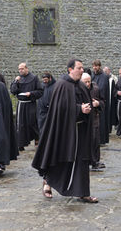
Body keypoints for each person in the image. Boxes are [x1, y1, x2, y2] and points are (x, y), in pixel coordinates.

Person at [32, 59, 98, 203]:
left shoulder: (81, 85)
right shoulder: (62, 85)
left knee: (82, 161)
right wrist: (79, 108)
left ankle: (83, 192)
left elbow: (86, 104)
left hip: (80, 130)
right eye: (79, 68)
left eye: (82, 68)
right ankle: (48, 181)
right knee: (60, 157)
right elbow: (60, 108)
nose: (82, 70)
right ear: (70, 69)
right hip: (64, 131)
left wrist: (87, 109)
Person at [10, 63, 43, 151]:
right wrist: (15, 81)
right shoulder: (18, 79)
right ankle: (21, 144)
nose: (20, 70)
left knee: (32, 123)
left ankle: (37, 139)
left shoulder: (34, 78)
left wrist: (31, 93)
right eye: (19, 69)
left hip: (30, 104)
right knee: (20, 124)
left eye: (22, 69)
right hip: (21, 104)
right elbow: (13, 91)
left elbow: (40, 91)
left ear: (26, 68)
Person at [81, 73, 106, 171]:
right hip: (83, 120)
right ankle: (85, 162)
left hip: (94, 118)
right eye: (85, 82)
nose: (87, 84)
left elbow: (103, 101)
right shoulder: (77, 89)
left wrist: (98, 103)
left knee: (95, 140)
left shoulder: (95, 89)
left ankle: (95, 161)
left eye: (89, 81)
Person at [92, 60, 110, 146]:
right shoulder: (92, 75)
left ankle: (102, 140)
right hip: (93, 102)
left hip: (101, 102)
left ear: (99, 66)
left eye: (96, 66)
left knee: (101, 122)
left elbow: (105, 91)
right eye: (93, 66)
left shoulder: (105, 77)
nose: (94, 68)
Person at [103, 66, 118, 132]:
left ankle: (110, 128)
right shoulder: (102, 78)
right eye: (104, 71)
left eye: (106, 71)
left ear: (109, 71)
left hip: (111, 99)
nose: (105, 73)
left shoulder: (113, 79)